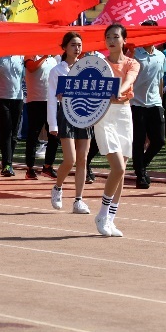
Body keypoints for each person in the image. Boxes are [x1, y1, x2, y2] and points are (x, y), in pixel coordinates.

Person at [92, 23, 140, 237]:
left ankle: (111, 218)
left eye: (116, 37)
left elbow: (129, 80)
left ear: (124, 40)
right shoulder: (99, 64)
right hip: (103, 114)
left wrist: (118, 90)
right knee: (118, 168)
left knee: (122, 171)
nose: (111, 41)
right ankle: (102, 214)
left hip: (124, 113)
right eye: (108, 37)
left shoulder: (132, 63)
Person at [48, 32, 93, 216]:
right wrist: (52, 124)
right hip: (65, 116)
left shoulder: (87, 69)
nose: (77, 48)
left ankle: (79, 200)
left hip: (85, 116)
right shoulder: (56, 70)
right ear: (65, 47)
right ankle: (58, 187)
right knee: (70, 159)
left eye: (79, 45)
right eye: (73, 45)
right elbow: (52, 99)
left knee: (83, 159)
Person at [130, 21, 166, 188]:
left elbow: (160, 79)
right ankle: (140, 175)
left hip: (155, 103)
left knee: (159, 140)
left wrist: (160, 100)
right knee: (138, 141)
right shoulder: (134, 54)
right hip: (136, 103)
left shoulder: (161, 56)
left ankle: (141, 165)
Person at [0, 54, 25, 177]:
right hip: (0, 98)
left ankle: (8, 163)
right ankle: (7, 164)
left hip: (17, 98)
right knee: (6, 131)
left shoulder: (20, 56)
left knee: (14, 133)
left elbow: (23, 76)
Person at [23, 53, 59, 180]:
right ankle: (30, 168)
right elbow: (31, 68)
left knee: (54, 135)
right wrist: (44, 56)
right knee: (33, 135)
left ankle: (48, 166)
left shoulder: (55, 59)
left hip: (52, 101)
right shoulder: (30, 55)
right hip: (35, 101)